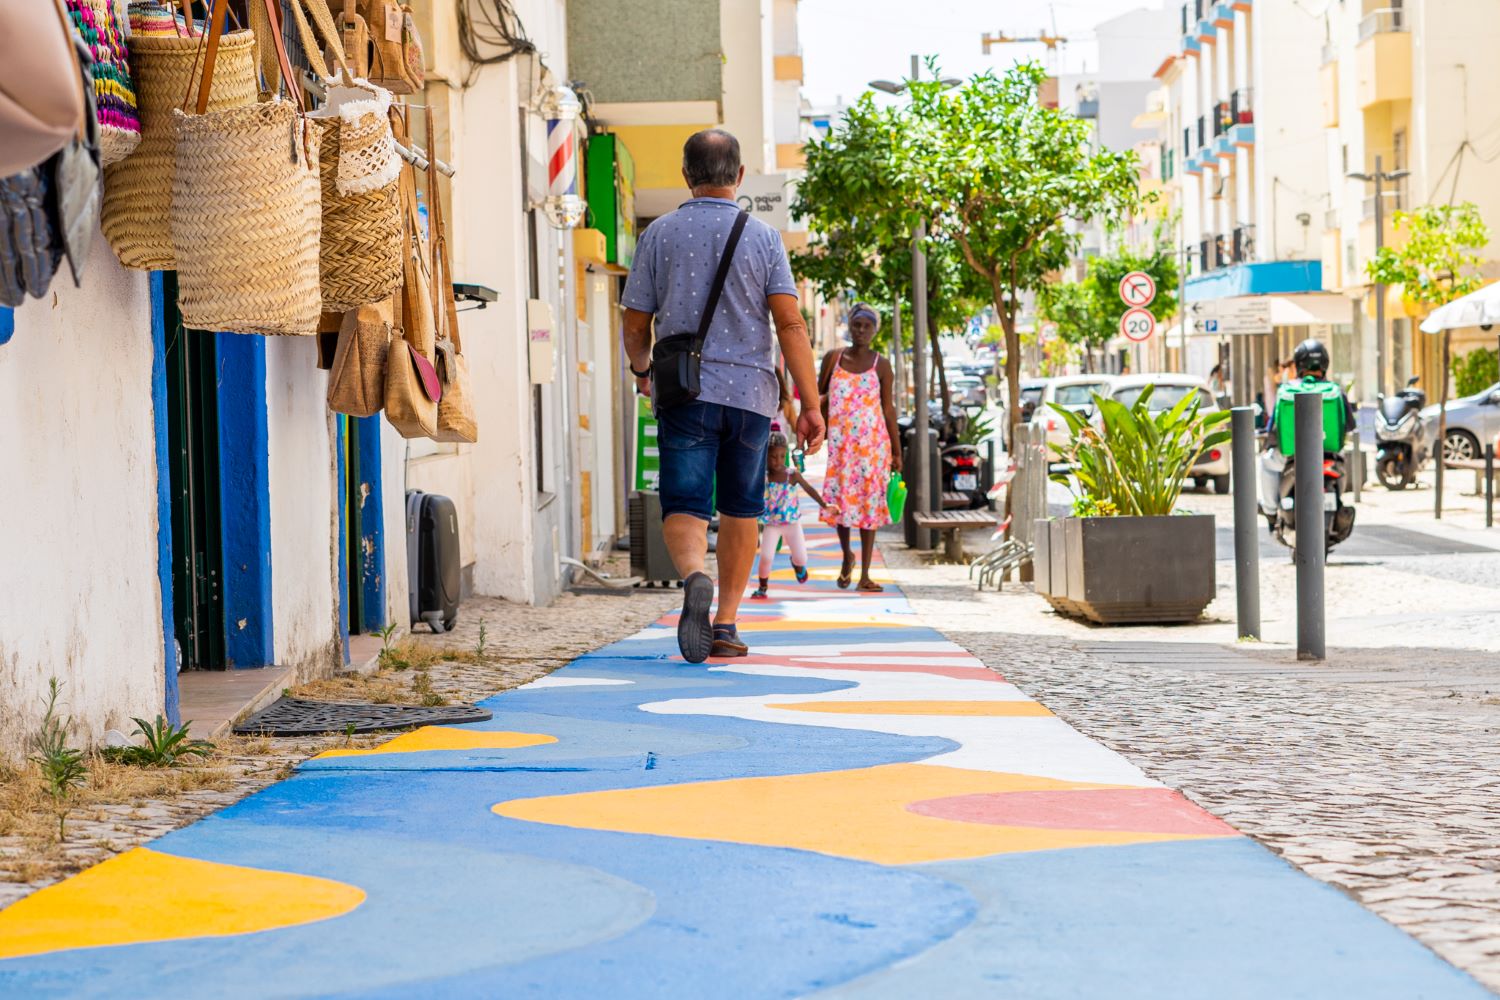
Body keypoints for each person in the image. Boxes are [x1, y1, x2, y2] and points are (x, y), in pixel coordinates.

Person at [621, 128, 825, 663]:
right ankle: (728, 625)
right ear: (739, 176)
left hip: (685, 391)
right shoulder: (765, 239)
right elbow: (791, 324)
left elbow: (636, 322)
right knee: (741, 509)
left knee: (685, 502)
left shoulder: (659, 235)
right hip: (752, 397)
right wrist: (810, 403)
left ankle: (694, 577)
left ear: (685, 175)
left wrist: (642, 369)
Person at [818, 302, 901, 592]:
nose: (862, 330)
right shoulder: (833, 359)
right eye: (857, 325)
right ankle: (846, 556)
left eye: (867, 326)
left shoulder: (882, 364)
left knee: (868, 507)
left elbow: (888, 409)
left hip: (873, 448)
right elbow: (819, 399)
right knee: (840, 505)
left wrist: (897, 451)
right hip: (842, 450)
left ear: (875, 330)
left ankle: (865, 573)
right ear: (849, 326)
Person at [751, 432, 824, 599]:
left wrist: (825, 505)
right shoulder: (764, 477)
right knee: (766, 557)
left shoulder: (792, 475)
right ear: (765, 456)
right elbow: (754, 498)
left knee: (801, 558)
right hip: (772, 524)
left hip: (792, 524)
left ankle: (797, 565)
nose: (777, 461)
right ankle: (763, 587)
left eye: (782, 456)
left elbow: (809, 490)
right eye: (773, 457)